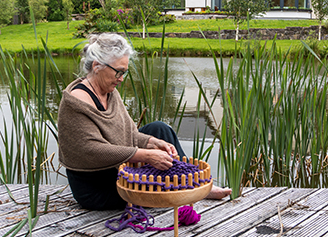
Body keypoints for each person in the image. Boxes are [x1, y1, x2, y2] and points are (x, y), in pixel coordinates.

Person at [58, 33, 231, 210]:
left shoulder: (110, 92)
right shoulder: (76, 101)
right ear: (97, 66)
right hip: (98, 187)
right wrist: (145, 155)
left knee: (160, 129)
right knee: (150, 162)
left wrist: (150, 142)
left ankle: (190, 181)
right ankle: (186, 188)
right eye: (118, 72)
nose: (122, 78)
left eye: (124, 72)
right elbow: (91, 150)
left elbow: (129, 134)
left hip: (120, 169)